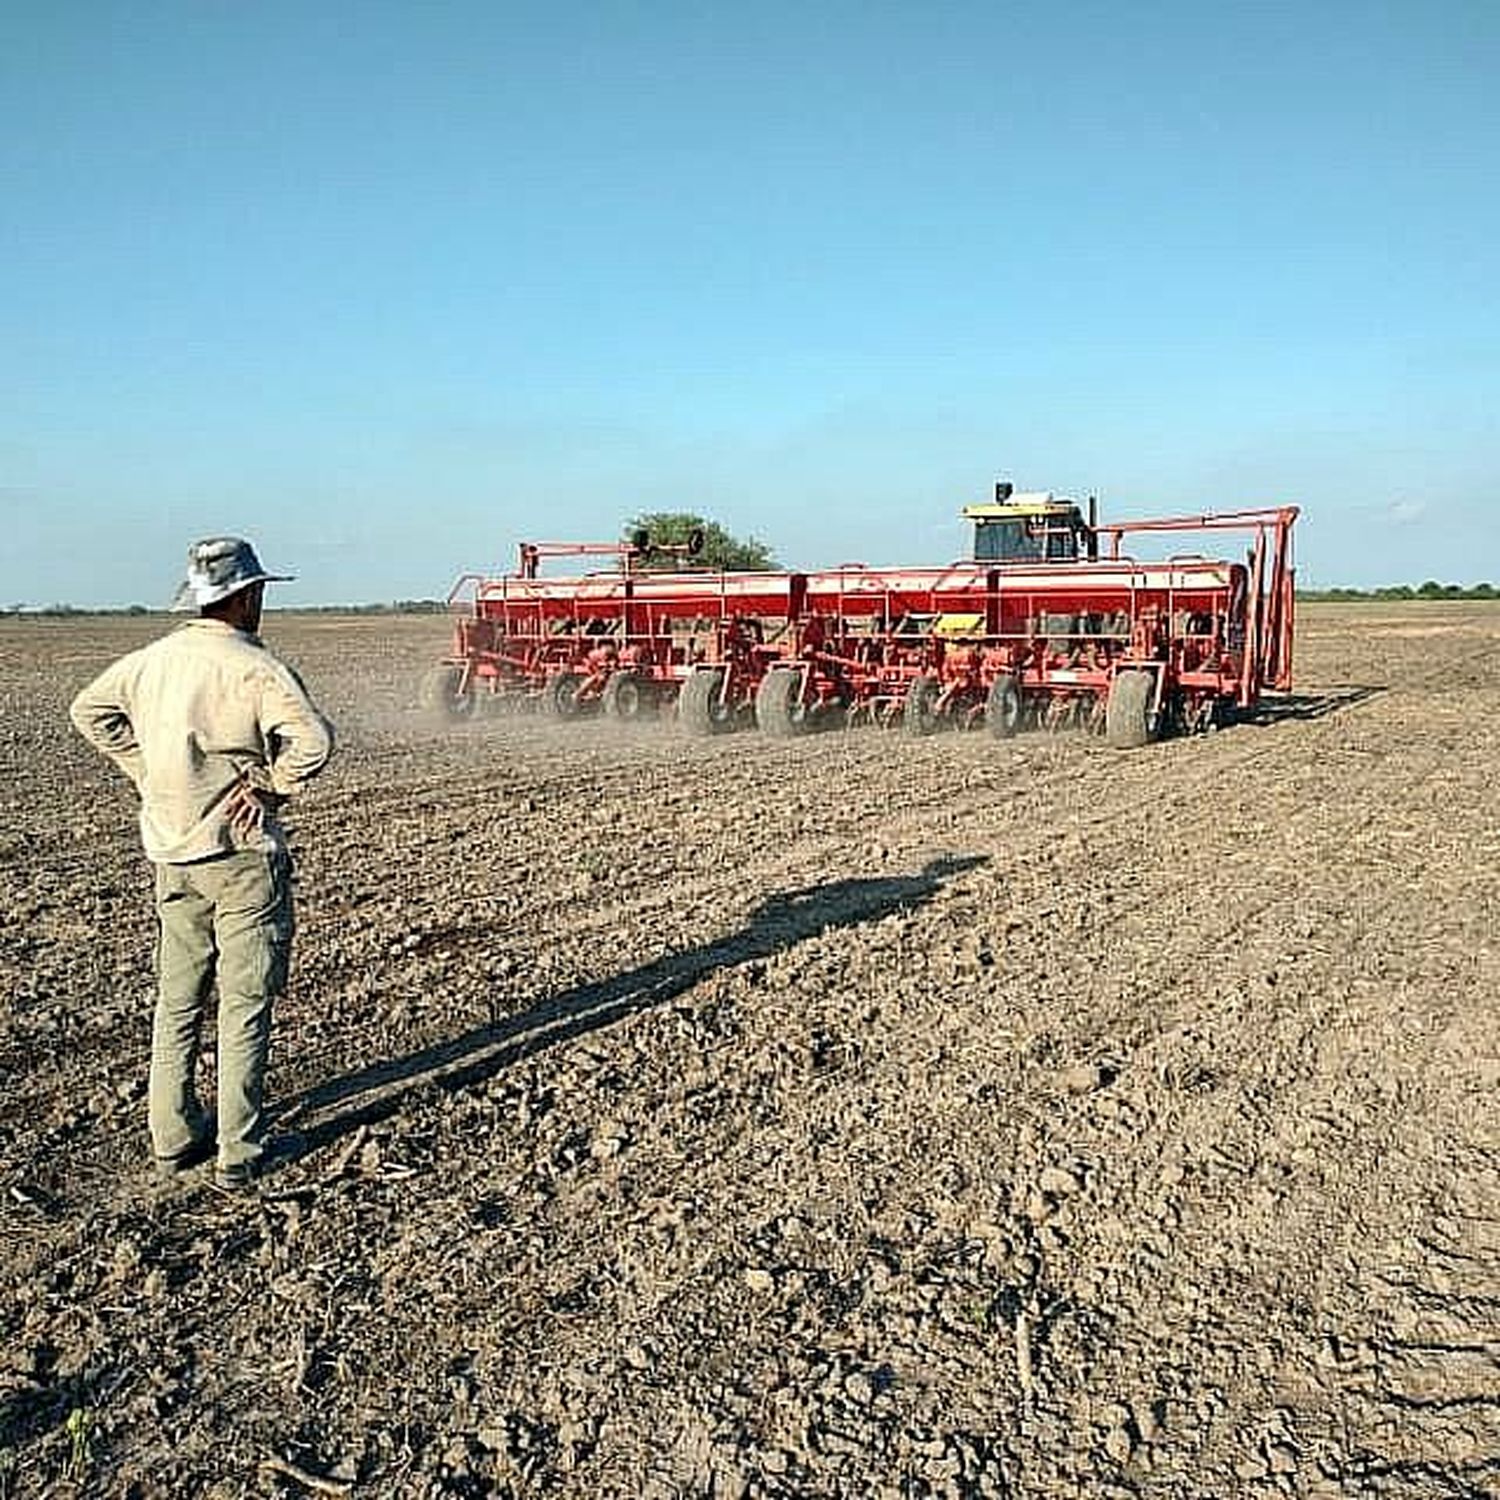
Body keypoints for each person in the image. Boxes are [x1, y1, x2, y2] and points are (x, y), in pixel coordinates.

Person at [70, 537, 334, 1189]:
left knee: (177, 1000)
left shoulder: (150, 661)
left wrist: (148, 772)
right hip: (242, 856)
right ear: (245, 596)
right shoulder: (254, 667)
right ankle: (240, 1152)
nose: (261, 603)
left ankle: (173, 1136)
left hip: (172, 850)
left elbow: (89, 712)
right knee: (244, 1001)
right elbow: (314, 742)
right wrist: (272, 785)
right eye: (260, 593)